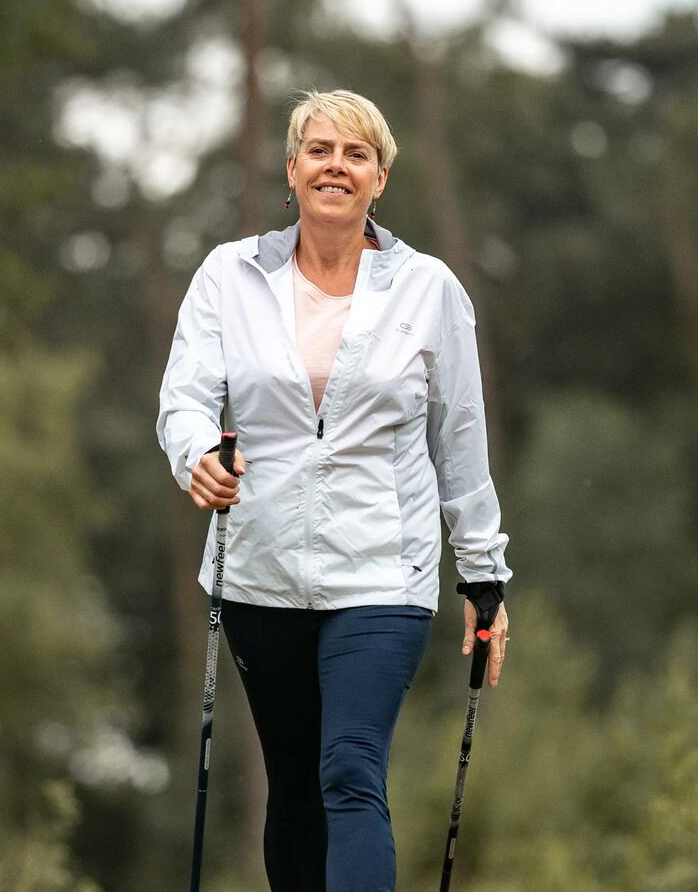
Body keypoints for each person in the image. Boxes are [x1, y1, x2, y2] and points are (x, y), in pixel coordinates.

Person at [157, 89, 512, 891]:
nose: (336, 167)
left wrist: (484, 575)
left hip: (383, 573)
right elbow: (183, 401)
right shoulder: (228, 276)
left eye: (357, 155)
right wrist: (196, 457)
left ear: (380, 179)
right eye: (320, 150)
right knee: (296, 790)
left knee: (350, 769)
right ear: (292, 170)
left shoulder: (430, 290)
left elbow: (460, 438)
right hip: (260, 570)